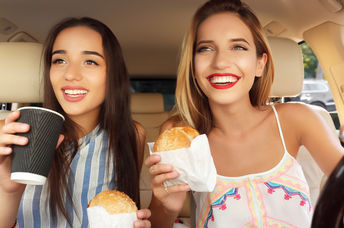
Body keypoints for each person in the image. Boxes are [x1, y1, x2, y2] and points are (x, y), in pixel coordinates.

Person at [145, 0, 344, 227]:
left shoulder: (297, 118)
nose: (220, 62)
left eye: (238, 47)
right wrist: (166, 207)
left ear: (260, 63)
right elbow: (160, 221)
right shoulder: (179, 136)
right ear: (192, 65)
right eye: (205, 48)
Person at [0, 17, 151, 228]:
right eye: (59, 60)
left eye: (90, 61)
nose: (70, 74)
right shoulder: (9, 136)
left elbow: (124, 213)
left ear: (112, 74)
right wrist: (7, 192)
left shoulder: (131, 135)